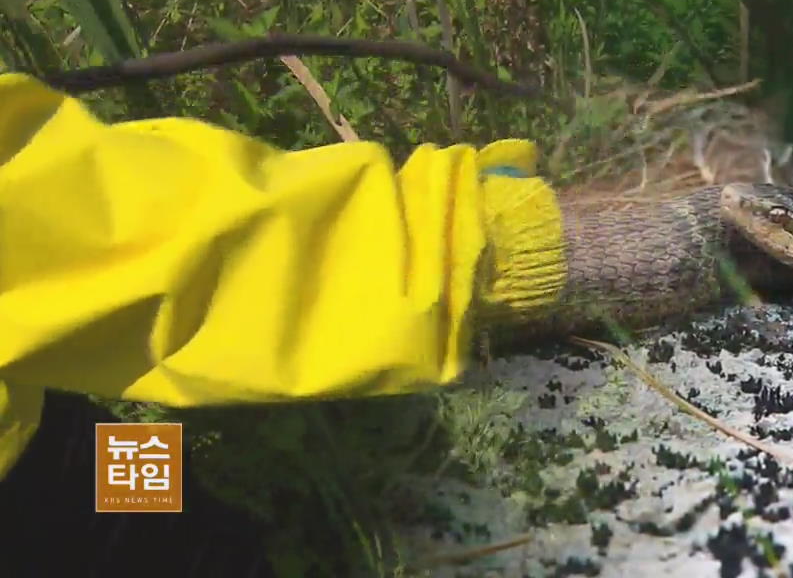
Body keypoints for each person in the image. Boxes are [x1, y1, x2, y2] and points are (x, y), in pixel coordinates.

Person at [0, 71, 570, 575]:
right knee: (191, 553)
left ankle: (251, 530)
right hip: (26, 501)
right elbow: (95, 235)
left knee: (162, 480)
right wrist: (448, 249)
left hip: (37, 430)